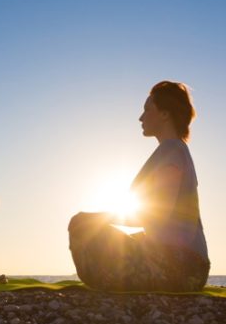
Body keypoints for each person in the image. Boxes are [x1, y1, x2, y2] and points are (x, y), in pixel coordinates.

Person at [68, 81, 210, 292]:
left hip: (183, 266)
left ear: (165, 114)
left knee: (81, 224)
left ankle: (109, 281)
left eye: (147, 109)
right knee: (92, 228)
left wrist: (95, 220)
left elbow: (157, 216)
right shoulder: (174, 151)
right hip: (181, 262)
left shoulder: (172, 150)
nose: (141, 117)